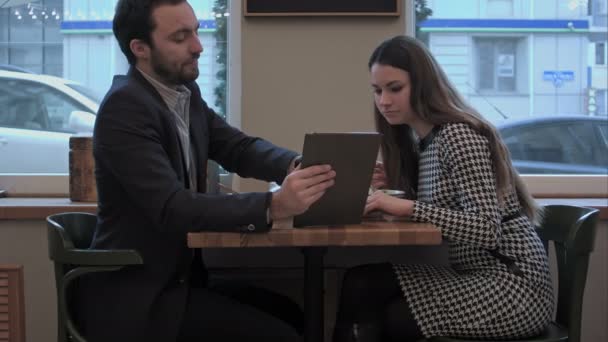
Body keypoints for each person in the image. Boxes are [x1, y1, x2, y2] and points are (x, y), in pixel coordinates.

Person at [79, 1, 336, 341]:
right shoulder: (124, 108)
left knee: (290, 312)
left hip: (177, 285)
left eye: (196, 32)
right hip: (142, 300)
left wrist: (298, 165)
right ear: (140, 48)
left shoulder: (183, 93)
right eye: (181, 37)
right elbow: (173, 207)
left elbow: (237, 148)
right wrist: (273, 206)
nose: (198, 46)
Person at [332, 35, 554, 341]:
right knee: (361, 281)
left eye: (395, 88)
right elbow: (448, 206)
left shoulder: (458, 136)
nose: (383, 100)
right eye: (377, 90)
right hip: (478, 276)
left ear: (422, 85)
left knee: (389, 313)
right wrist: (395, 189)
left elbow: (488, 229)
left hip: (513, 285)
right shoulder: (424, 140)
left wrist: (407, 206)